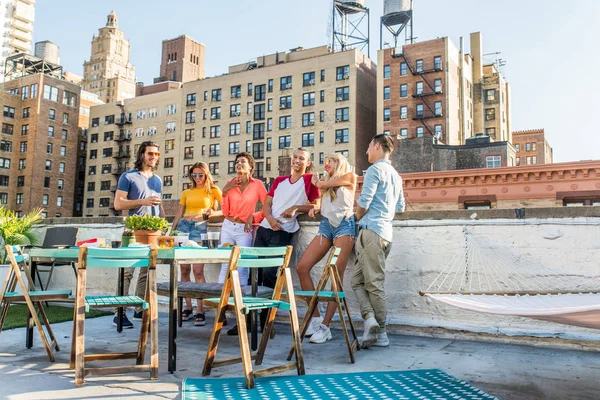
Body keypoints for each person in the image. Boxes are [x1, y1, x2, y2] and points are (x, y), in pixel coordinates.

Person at [227, 147, 320, 336]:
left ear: (308, 163)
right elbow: (267, 204)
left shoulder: (309, 180)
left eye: (301, 158)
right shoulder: (279, 180)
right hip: (264, 230)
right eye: (295, 157)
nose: (297, 161)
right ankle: (249, 321)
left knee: (270, 274)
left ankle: (267, 321)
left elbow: (316, 205)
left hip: (282, 232)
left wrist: (295, 208)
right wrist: (268, 219)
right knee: (254, 273)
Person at [295, 153, 356, 344]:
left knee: (335, 274)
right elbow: (325, 201)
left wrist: (319, 183)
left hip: (345, 227)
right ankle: (315, 318)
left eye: (330, 161)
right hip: (326, 226)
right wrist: (316, 207)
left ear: (339, 163)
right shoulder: (326, 182)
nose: (326, 164)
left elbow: (322, 186)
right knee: (302, 267)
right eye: (325, 161)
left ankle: (326, 326)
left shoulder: (349, 177)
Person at [352, 134, 405, 349]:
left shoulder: (375, 170)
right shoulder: (396, 175)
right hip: (386, 233)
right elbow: (400, 207)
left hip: (371, 231)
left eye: (368, 147)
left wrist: (356, 215)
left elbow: (364, 201)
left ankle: (382, 332)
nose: (366, 152)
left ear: (376, 145)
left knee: (374, 283)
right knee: (356, 281)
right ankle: (370, 319)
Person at [113, 141, 163, 329]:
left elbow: (158, 206)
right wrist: (143, 201)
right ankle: (119, 312)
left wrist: (164, 226)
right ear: (142, 154)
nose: (154, 157)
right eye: (151, 153)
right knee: (127, 272)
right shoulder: (128, 177)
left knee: (146, 273)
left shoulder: (157, 180)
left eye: (156, 154)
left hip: (153, 233)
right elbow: (118, 204)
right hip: (133, 232)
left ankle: (139, 309)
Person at [171, 162, 222, 326]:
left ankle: (201, 308)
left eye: (201, 175)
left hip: (200, 229)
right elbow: (180, 212)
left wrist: (209, 215)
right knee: (184, 269)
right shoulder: (187, 192)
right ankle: (188, 307)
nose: (198, 178)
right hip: (183, 228)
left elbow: (225, 210)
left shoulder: (213, 191)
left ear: (206, 175)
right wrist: (172, 232)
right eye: (194, 175)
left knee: (198, 270)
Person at [216, 152, 267, 286]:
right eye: (237, 162)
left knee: (242, 266)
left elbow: (268, 205)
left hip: (244, 229)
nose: (239, 164)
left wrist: (254, 216)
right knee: (225, 263)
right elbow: (226, 212)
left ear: (250, 167)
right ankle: (221, 301)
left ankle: (240, 302)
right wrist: (225, 192)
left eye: (243, 161)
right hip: (227, 226)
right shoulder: (229, 183)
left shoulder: (258, 185)